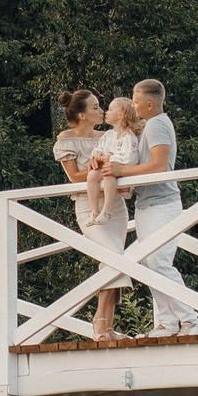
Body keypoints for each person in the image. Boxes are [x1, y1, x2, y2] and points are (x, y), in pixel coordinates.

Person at [103, 78, 198, 336]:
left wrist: (122, 170)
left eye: (135, 101)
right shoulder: (149, 125)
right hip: (147, 203)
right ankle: (166, 324)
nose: (132, 106)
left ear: (148, 103)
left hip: (162, 203)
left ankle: (189, 320)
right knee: (150, 265)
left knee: (159, 264)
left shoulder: (157, 124)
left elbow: (160, 165)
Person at [50, 90, 131, 340]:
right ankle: (98, 322)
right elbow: (74, 176)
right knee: (114, 257)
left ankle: (106, 326)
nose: (102, 110)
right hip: (88, 205)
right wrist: (101, 169)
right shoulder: (67, 140)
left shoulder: (108, 136)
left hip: (114, 205)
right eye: (96, 107)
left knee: (112, 261)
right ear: (83, 115)